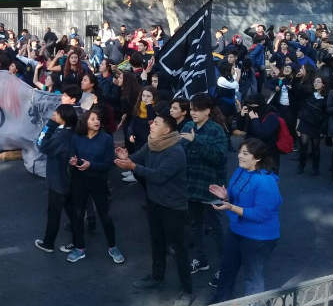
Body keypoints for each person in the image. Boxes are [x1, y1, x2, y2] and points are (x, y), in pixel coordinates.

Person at [114, 115, 193, 306]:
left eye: (156, 123)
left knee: (178, 249)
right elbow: (138, 158)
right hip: (155, 203)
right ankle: (157, 277)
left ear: (166, 130)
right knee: (156, 242)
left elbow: (158, 176)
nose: (151, 124)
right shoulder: (151, 143)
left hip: (174, 207)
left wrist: (133, 166)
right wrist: (127, 158)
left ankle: (187, 290)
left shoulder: (175, 151)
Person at [209, 138, 282, 302]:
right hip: (237, 230)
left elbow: (260, 214)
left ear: (257, 158)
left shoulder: (265, 182)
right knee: (227, 268)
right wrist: (226, 196)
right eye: (240, 152)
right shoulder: (241, 171)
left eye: (245, 153)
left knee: (252, 277)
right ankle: (219, 302)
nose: (240, 156)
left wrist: (229, 206)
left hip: (259, 238)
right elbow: (238, 198)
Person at [63, 110, 124, 265]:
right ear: (85, 121)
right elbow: (72, 157)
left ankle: (113, 247)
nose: (96, 121)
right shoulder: (77, 137)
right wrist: (74, 163)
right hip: (79, 181)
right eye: (92, 119)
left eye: (98, 119)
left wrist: (91, 165)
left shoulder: (105, 139)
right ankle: (79, 248)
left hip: (98, 181)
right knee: (77, 215)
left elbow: (108, 164)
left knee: (105, 216)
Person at [180, 94, 227, 287]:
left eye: (197, 109)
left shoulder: (217, 131)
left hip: (210, 187)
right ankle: (201, 260)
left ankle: (225, 267)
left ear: (208, 111)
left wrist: (195, 141)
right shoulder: (186, 127)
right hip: (191, 185)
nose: (193, 113)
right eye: (191, 109)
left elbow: (218, 156)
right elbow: (179, 151)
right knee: (195, 225)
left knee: (216, 228)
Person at [34, 105, 78, 253]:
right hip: (71, 179)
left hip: (58, 181)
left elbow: (41, 144)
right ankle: (78, 242)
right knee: (73, 212)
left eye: (56, 113)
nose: (54, 114)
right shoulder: (73, 132)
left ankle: (48, 243)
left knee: (54, 213)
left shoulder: (61, 136)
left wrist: (50, 124)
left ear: (63, 116)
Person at [238, 93, 281, 172]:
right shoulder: (251, 113)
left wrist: (255, 119)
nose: (249, 107)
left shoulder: (271, 116)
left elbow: (263, 134)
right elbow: (241, 128)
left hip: (267, 153)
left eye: (252, 105)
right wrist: (241, 116)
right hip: (251, 150)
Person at [296, 76, 327, 175]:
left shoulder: (326, 98)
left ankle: (315, 167)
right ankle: (301, 165)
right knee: (303, 145)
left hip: (316, 124)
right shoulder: (309, 94)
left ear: (323, 84)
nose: (316, 83)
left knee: (315, 147)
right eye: (314, 81)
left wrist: (323, 130)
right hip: (305, 122)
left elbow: (325, 114)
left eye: (319, 81)